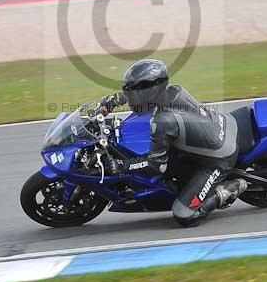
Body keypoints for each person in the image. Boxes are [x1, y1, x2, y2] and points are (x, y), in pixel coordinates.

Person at [100, 59, 249, 227]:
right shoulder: (172, 91)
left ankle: (227, 189)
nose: (131, 99)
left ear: (150, 93)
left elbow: (157, 165)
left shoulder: (163, 121)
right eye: (129, 93)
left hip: (220, 157)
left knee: (183, 214)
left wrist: (122, 166)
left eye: (135, 94)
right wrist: (110, 103)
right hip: (221, 127)